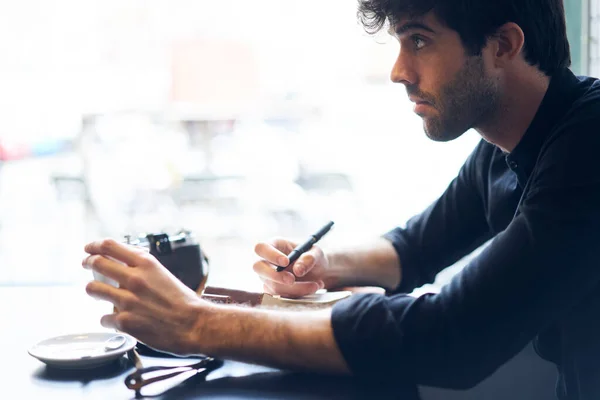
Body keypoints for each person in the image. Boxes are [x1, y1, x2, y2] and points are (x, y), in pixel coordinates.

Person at [82, 0, 600, 398]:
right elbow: (414, 248)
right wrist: (324, 267)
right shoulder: (509, 142)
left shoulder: (587, 144)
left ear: (503, 45)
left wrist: (197, 323)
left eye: (418, 41)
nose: (400, 71)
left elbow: (455, 335)